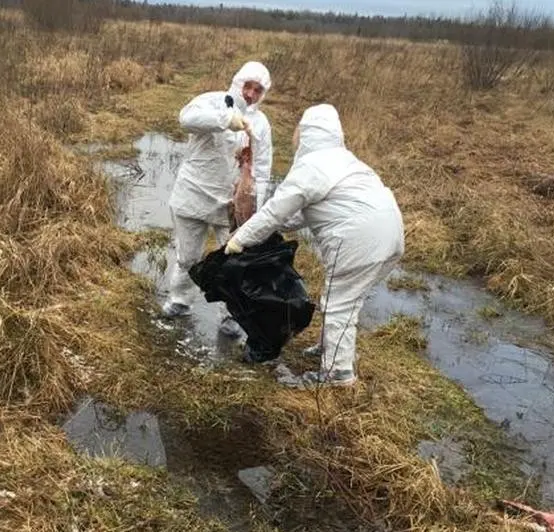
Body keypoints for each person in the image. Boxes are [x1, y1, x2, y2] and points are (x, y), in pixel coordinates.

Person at [224, 104, 405, 387]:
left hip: (361, 239)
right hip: (391, 234)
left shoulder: (312, 166)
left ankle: (338, 374)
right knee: (348, 298)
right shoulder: (345, 160)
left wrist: (238, 240)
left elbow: (275, 213)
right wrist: (266, 224)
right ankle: (329, 348)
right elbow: (294, 216)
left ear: (306, 133)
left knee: (338, 303)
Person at [162, 61, 273, 339]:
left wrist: (257, 206)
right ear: (237, 83)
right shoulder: (211, 102)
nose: (250, 94)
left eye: (258, 90)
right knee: (187, 257)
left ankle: (231, 315)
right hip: (192, 195)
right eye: (247, 86)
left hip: (231, 205)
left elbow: (263, 166)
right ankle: (179, 300)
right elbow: (185, 119)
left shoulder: (260, 124)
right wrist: (226, 120)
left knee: (233, 262)